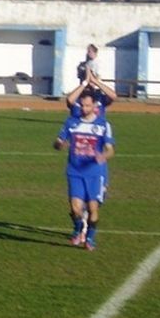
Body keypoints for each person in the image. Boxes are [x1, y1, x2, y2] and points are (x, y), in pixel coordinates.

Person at [54, 90, 115, 251]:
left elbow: (110, 149)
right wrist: (60, 144)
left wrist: (104, 156)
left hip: (95, 173)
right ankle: (78, 227)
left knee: (93, 208)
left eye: (88, 105)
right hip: (75, 171)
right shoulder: (71, 122)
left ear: (95, 106)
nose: (84, 108)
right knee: (75, 208)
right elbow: (58, 142)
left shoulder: (102, 125)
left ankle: (90, 237)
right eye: (82, 105)